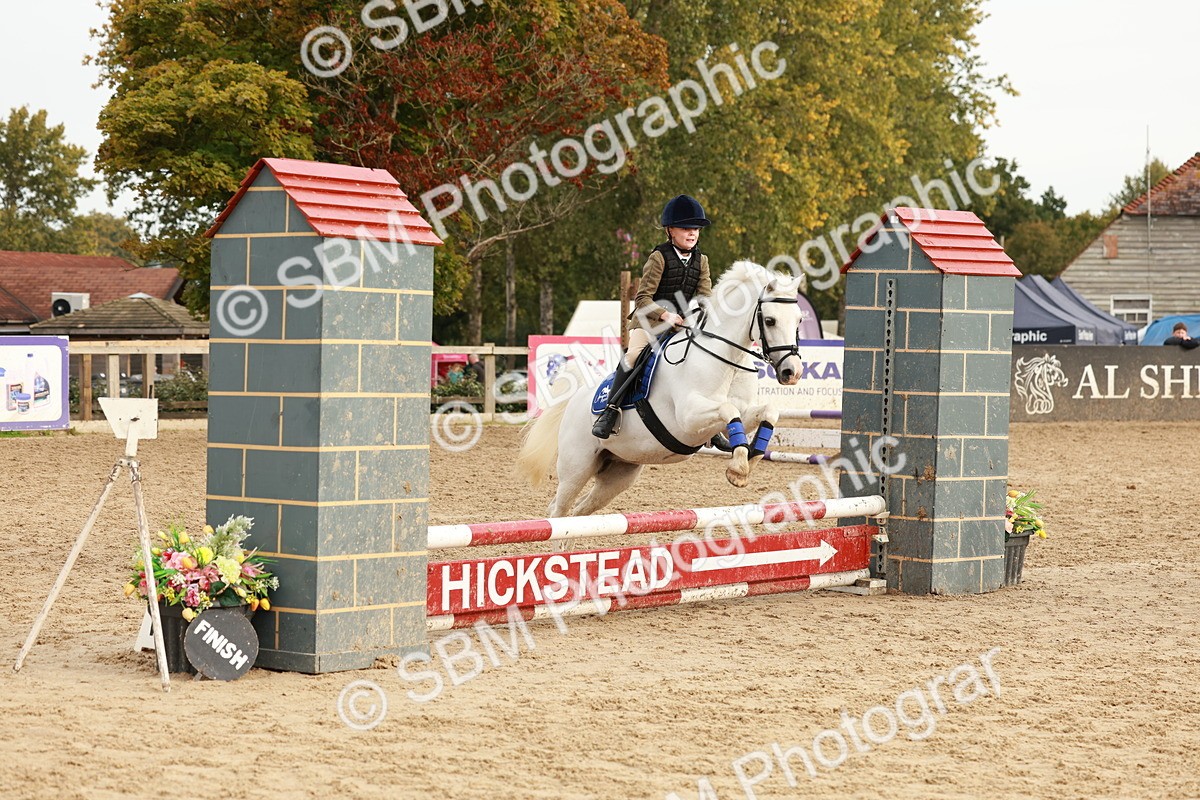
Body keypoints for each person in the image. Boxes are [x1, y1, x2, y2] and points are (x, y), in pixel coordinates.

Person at [592, 194, 713, 438]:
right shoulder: (659, 257)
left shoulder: (702, 261)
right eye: (686, 228)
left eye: (696, 229)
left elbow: (705, 299)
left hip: (680, 325)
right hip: (649, 321)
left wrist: (699, 318)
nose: (692, 233)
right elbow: (642, 299)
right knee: (634, 356)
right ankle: (610, 410)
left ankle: (711, 423)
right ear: (670, 231)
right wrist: (666, 315)